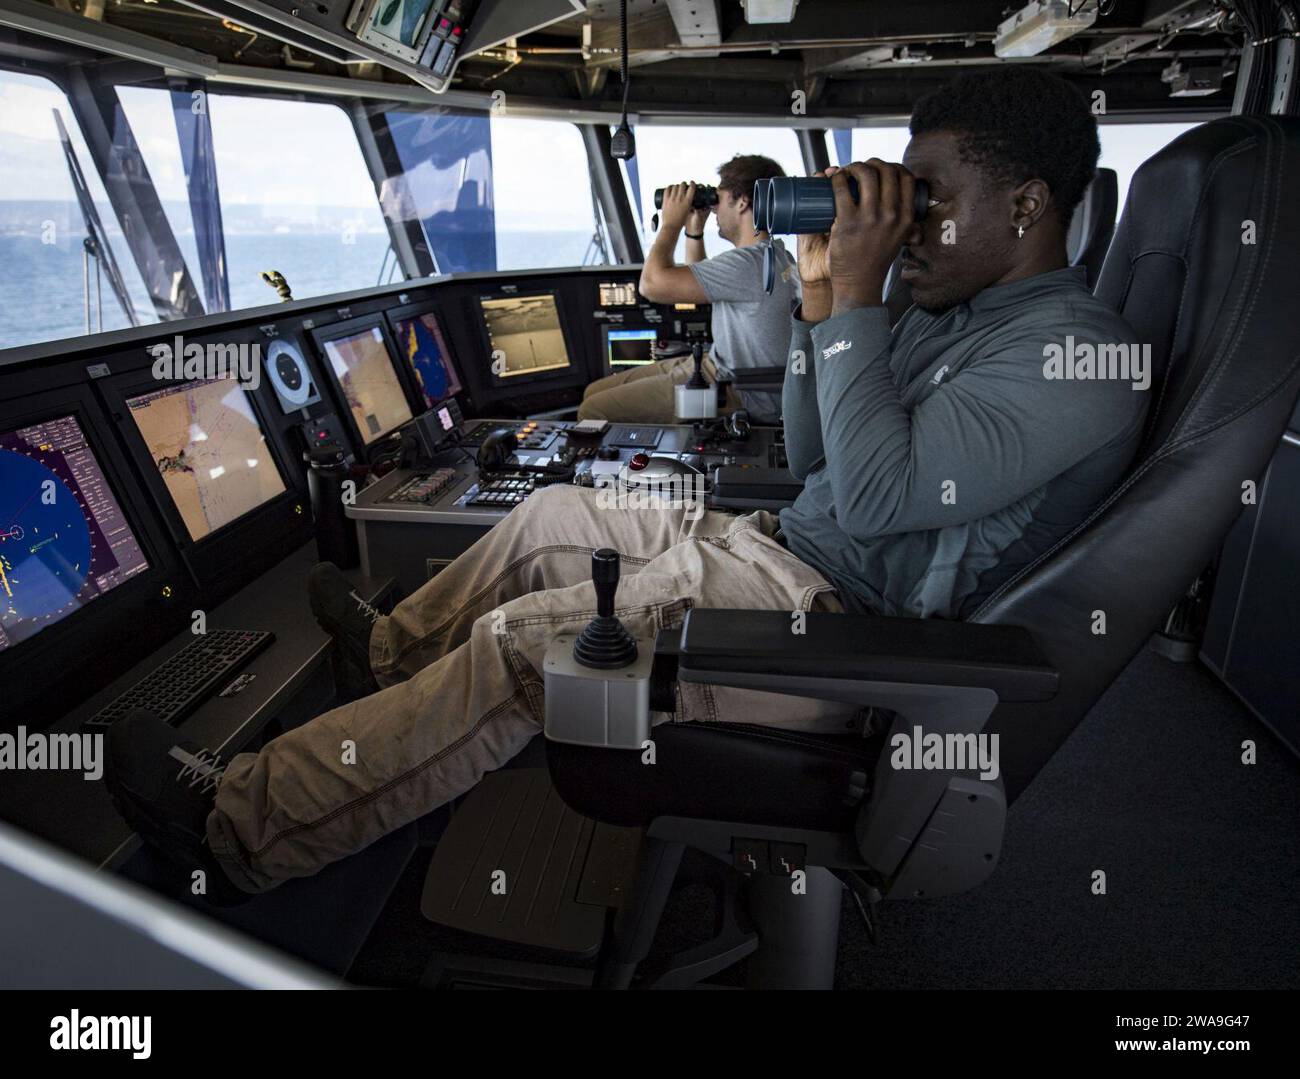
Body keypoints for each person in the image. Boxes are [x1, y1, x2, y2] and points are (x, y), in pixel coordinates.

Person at [106, 68, 1149, 897]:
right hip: (784, 557)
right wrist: (828, 294)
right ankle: (388, 659)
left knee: (535, 645)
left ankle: (242, 830)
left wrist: (865, 294)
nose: (909, 225)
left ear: (1025, 205)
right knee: (554, 512)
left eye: (931, 204)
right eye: (904, 201)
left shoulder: (1070, 359)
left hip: (843, 633)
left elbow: (875, 501)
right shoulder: (946, 315)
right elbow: (815, 457)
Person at [578, 153, 797, 424]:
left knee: (592, 411)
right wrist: (694, 231)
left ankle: (631, 465)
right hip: (723, 368)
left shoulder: (748, 263)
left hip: (737, 389)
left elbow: (651, 285)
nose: (714, 209)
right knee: (593, 392)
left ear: (742, 202)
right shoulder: (774, 256)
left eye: (718, 198)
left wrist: (671, 223)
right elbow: (701, 289)